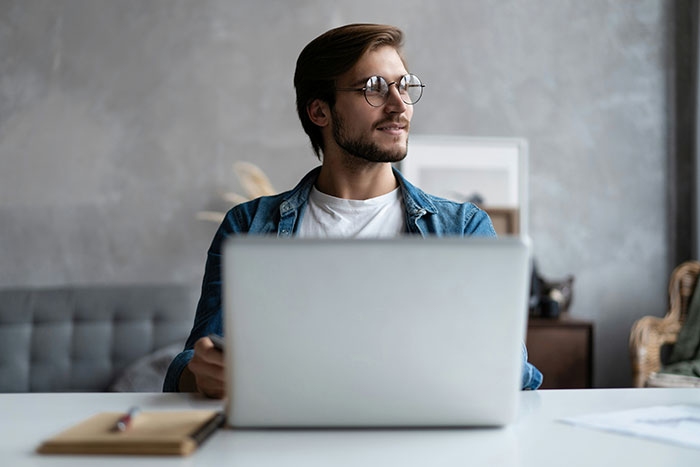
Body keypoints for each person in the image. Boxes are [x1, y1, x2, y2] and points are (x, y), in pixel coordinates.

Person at [163, 23, 543, 397]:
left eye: (404, 86)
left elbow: (513, 369)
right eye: (373, 89)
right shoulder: (248, 225)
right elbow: (192, 363)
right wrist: (203, 375)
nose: (399, 106)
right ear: (320, 112)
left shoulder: (462, 227)